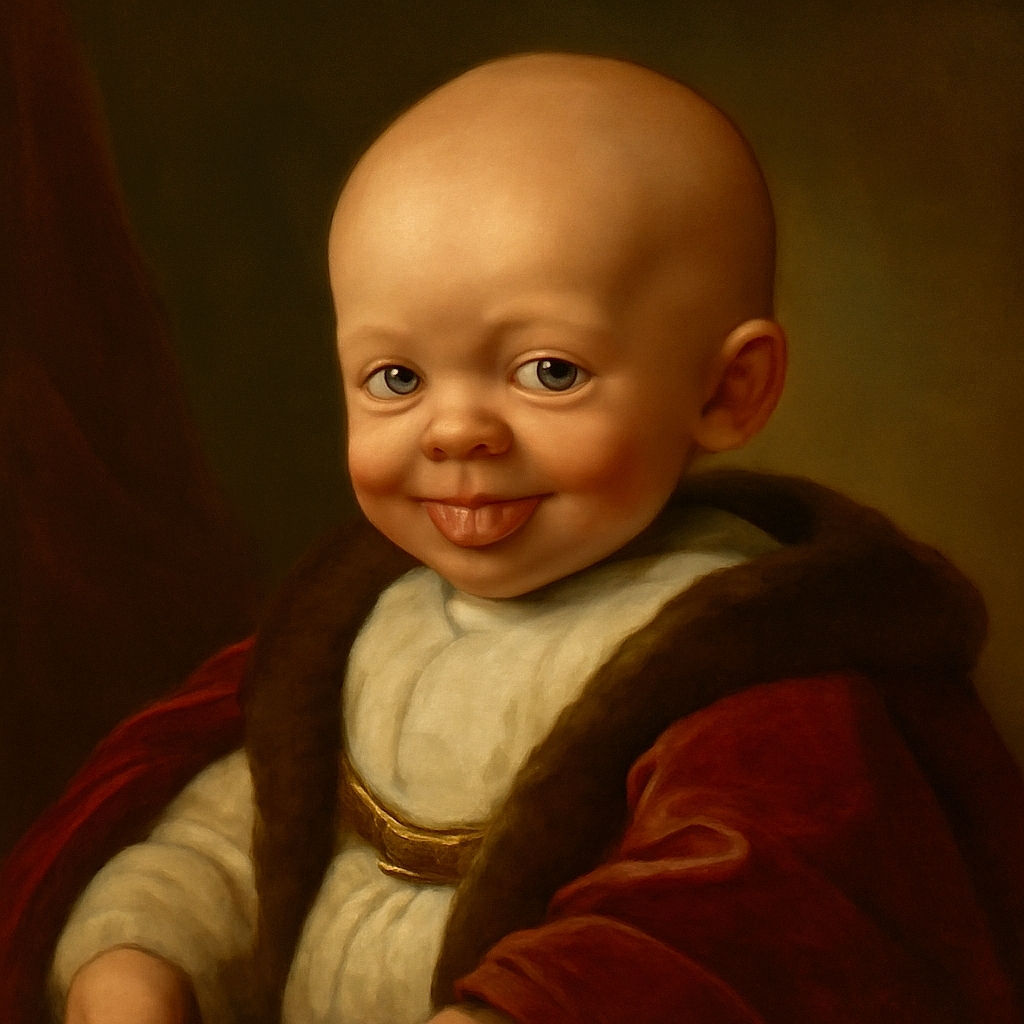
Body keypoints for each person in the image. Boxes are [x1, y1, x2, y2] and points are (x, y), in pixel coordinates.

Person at [4, 53, 1023, 1024]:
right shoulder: (358, 624)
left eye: (547, 371)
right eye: (396, 379)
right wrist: (140, 949)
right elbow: (246, 831)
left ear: (726, 390)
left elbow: (733, 932)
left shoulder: (752, 666)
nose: (455, 431)